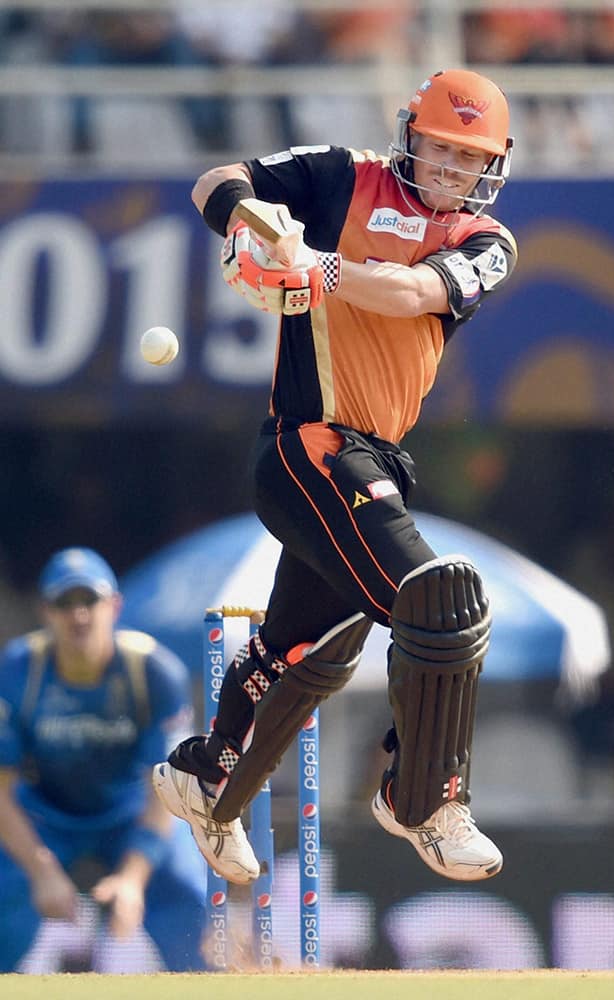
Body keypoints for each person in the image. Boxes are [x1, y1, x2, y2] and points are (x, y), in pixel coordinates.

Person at [154, 68, 517, 885]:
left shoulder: (481, 242)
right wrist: (254, 232)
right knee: (439, 600)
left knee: (301, 646)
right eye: (442, 149)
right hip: (309, 445)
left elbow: (416, 290)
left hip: (374, 456)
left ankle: (206, 774)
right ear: (409, 135)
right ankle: (423, 797)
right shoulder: (339, 175)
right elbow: (218, 181)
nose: (454, 172)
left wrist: (316, 270)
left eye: (471, 160)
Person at [0, 547, 207, 972]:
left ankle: (204, 983)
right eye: (64, 603)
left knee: (187, 893)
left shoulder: (155, 671)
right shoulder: (18, 669)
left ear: (114, 606)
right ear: (45, 611)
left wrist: (133, 878)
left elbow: (168, 787)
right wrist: (40, 869)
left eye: (89, 600)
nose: (78, 615)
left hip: (131, 814)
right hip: (43, 816)